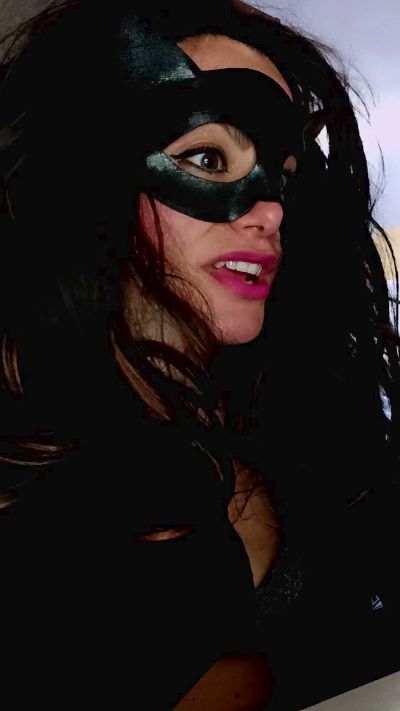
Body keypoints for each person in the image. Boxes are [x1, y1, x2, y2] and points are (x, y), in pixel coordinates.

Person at [0, 1, 399, 709]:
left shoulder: (297, 419)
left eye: (282, 176)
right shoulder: (40, 514)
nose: (270, 212)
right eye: (208, 158)